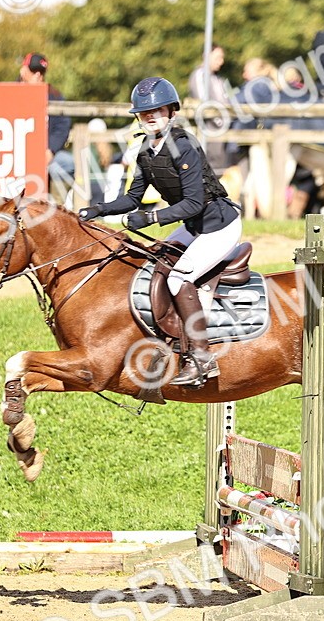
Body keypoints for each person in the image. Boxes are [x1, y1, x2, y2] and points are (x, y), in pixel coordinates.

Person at [78, 77, 242, 387]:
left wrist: (150, 217)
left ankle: (202, 358)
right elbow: (132, 199)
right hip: (194, 227)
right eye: (145, 112)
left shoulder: (185, 145)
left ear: (172, 111)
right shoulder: (145, 149)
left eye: (158, 110)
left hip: (219, 227)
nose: (150, 116)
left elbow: (194, 203)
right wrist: (98, 209)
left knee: (178, 278)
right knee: (153, 262)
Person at [19, 52, 75, 194]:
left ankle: (57, 202)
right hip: (19, 153)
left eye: (41, 72)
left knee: (69, 163)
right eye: (33, 72)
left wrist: (50, 150)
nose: (38, 76)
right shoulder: (14, 92)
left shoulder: (54, 95)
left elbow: (62, 127)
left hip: (45, 153)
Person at [187, 44, 232, 174]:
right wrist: (221, 122)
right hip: (209, 129)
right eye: (218, 57)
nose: (221, 61)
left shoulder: (219, 79)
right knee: (210, 168)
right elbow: (204, 103)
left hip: (222, 131)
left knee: (222, 167)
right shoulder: (200, 75)